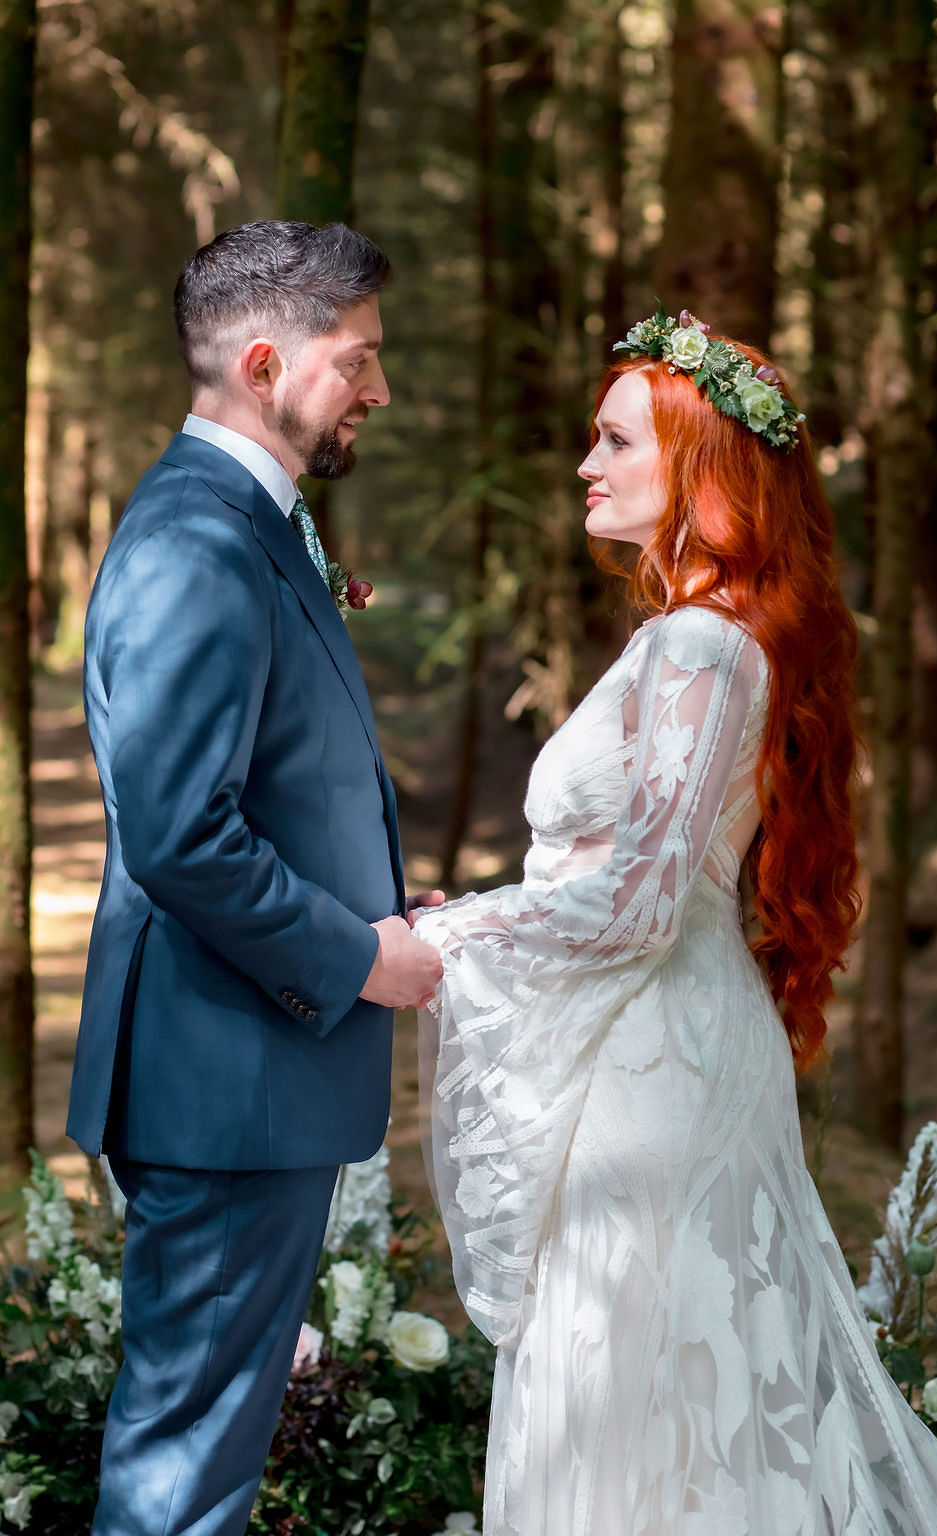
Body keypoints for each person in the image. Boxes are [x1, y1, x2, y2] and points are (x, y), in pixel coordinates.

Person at [413, 309, 937, 1534]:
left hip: (652, 1075)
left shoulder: (697, 644)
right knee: (686, 1399)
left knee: (649, 1402)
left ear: (698, 469)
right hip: (663, 1042)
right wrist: (491, 915)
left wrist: (453, 935)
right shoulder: (701, 638)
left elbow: (640, 899)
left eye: (616, 441)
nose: (587, 464)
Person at [66, 220, 442, 1536]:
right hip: (219, 1082)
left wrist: (380, 907)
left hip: (243, 1073)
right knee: (184, 1467)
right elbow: (178, 834)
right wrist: (356, 958)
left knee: (207, 1451)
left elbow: (270, 782)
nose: (379, 392)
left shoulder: (251, 524)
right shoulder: (195, 541)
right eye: (359, 362)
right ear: (267, 362)